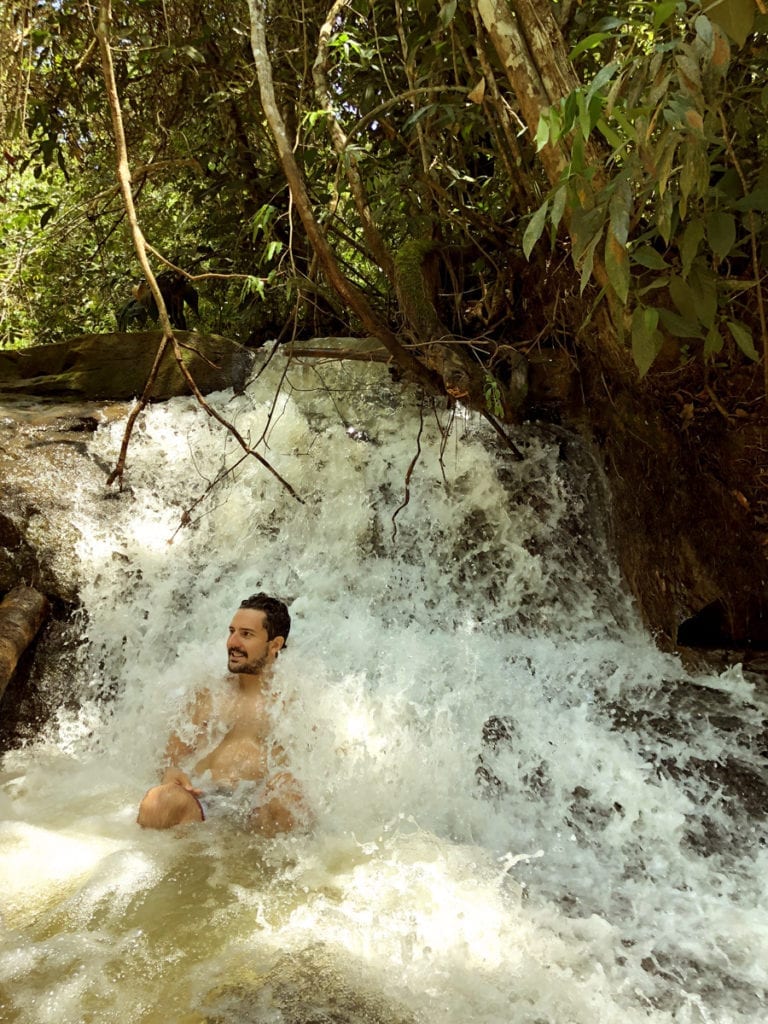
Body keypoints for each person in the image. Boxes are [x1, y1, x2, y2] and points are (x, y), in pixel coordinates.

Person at [137, 593, 307, 837]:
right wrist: (171, 772)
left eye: (246, 634)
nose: (232, 642)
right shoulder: (211, 693)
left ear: (275, 644)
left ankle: (265, 871)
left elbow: (318, 775)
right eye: (231, 631)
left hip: (259, 808)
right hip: (206, 801)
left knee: (286, 792)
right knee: (160, 799)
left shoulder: (295, 702)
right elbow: (170, 760)